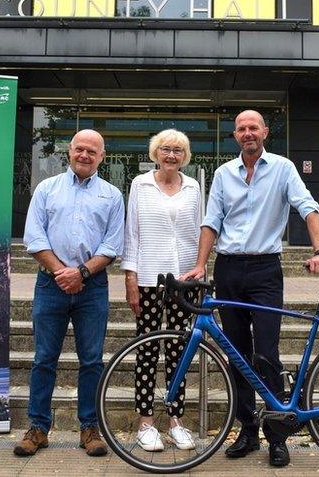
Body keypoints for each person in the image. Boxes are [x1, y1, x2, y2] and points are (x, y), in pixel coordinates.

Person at [179, 110, 319, 468]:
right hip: (228, 268)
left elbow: (307, 208)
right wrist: (201, 264)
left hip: (265, 270)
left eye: (254, 128)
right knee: (236, 355)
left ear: (264, 132)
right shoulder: (222, 174)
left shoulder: (282, 168)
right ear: (236, 136)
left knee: (266, 354)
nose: (248, 133)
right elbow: (210, 221)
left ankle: (277, 436)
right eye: (242, 129)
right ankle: (248, 431)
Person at [15, 129, 125, 458]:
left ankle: (89, 428)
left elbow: (112, 245)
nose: (84, 156)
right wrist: (63, 273)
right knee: (43, 360)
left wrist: (81, 273)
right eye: (80, 149)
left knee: (91, 361)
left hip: (93, 287)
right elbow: (34, 238)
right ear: (70, 151)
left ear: (101, 157)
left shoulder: (112, 195)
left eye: (92, 151)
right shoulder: (46, 189)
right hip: (50, 285)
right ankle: (37, 428)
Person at [122, 129, 202, 452]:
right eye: (166, 149)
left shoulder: (194, 187)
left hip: (184, 279)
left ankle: (176, 421)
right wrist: (130, 277)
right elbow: (132, 233)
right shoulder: (139, 185)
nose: (171, 155)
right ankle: (145, 422)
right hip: (149, 278)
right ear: (156, 152)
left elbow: (200, 230)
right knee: (147, 350)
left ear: (185, 156)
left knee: (179, 351)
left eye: (178, 150)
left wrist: (200, 269)